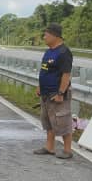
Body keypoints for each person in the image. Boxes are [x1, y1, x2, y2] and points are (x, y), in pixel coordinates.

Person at [34, 24, 74, 159]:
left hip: (57, 93)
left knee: (63, 121)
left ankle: (67, 150)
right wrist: (40, 86)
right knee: (48, 121)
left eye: (46, 35)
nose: (44, 37)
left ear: (54, 35)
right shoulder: (48, 51)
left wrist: (61, 93)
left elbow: (66, 75)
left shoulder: (64, 52)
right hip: (45, 93)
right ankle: (49, 147)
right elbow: (44, 70)